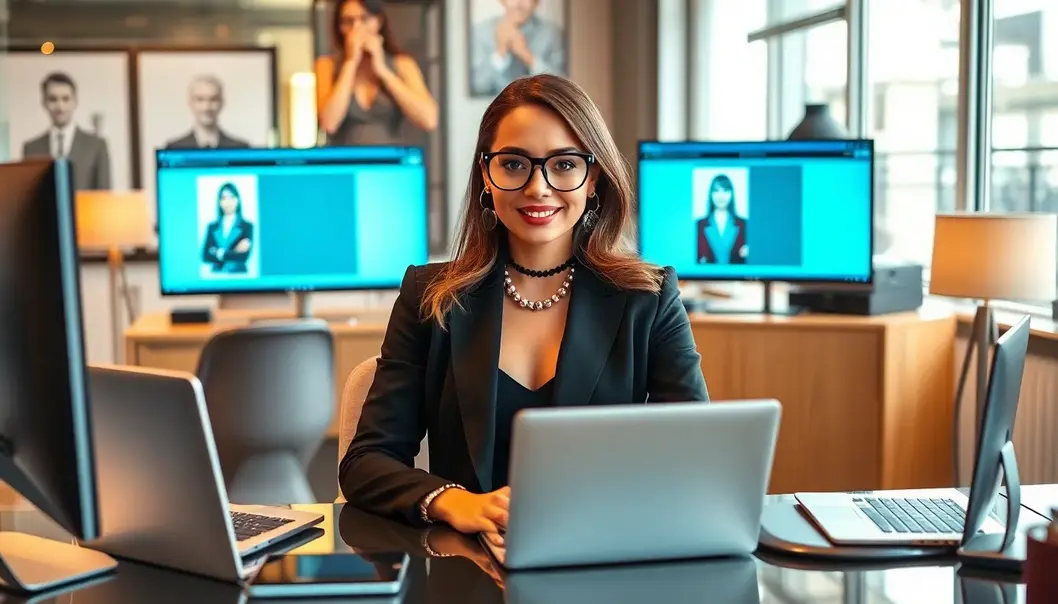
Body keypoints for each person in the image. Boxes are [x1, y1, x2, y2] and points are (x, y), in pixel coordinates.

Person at [339, 74, 709, 534]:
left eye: (564, 164)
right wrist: (454, 502)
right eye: (514, 164)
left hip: (605, 556)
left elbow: (696, 457)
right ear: (485, 175)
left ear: (593, 177)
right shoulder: (431, 297)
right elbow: (366, 462)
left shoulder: (649, 298)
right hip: (469, 565)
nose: (538, 188)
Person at [315, 0, 438, 146]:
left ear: (378, 21)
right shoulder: (326, 66)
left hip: (390, 162)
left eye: (364, 19)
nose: (356, 28)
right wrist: (350, 62)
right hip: (345, 162)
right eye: (348, 21)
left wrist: (383, 71)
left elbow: (429, 120)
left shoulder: (402, 64)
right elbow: (329, 124)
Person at [22, 71, 112, 191]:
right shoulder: (31, 149)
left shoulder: (96, 146)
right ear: (44, 103)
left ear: (75, 101)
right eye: (53, 99)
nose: (60, 106)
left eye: (66, 99)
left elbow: (104, 195)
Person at [470, 0, 566, 97]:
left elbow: (563, 89)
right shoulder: (480, 32)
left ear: (536, 3)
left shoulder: (553, 33)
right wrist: (500, 53)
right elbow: (478, 87)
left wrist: (526, 55)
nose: (518, 4)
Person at [164, 75, 250, 149]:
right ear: (190, 103)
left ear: (222, 103)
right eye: (200, 100)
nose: (206, 107)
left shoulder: (241, 148)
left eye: (213, 100)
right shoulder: (173, 148)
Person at [201, 182, 254, 274]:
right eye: (224, 198)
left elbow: (243, 257)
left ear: (238, 200)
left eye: (232, 197)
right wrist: (233, 252)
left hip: (239, 277)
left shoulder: (247, 226)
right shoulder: (212, 227)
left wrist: (218, 253)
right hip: (216, 277)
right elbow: (205, 256)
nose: (228, 202)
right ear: (219, 202)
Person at [696, 174, 748, 264]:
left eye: (725, 191)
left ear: (732, 194)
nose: (721, 196)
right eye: (716, 191)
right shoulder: (698, 225)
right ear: (711, 194)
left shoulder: (744, 225)